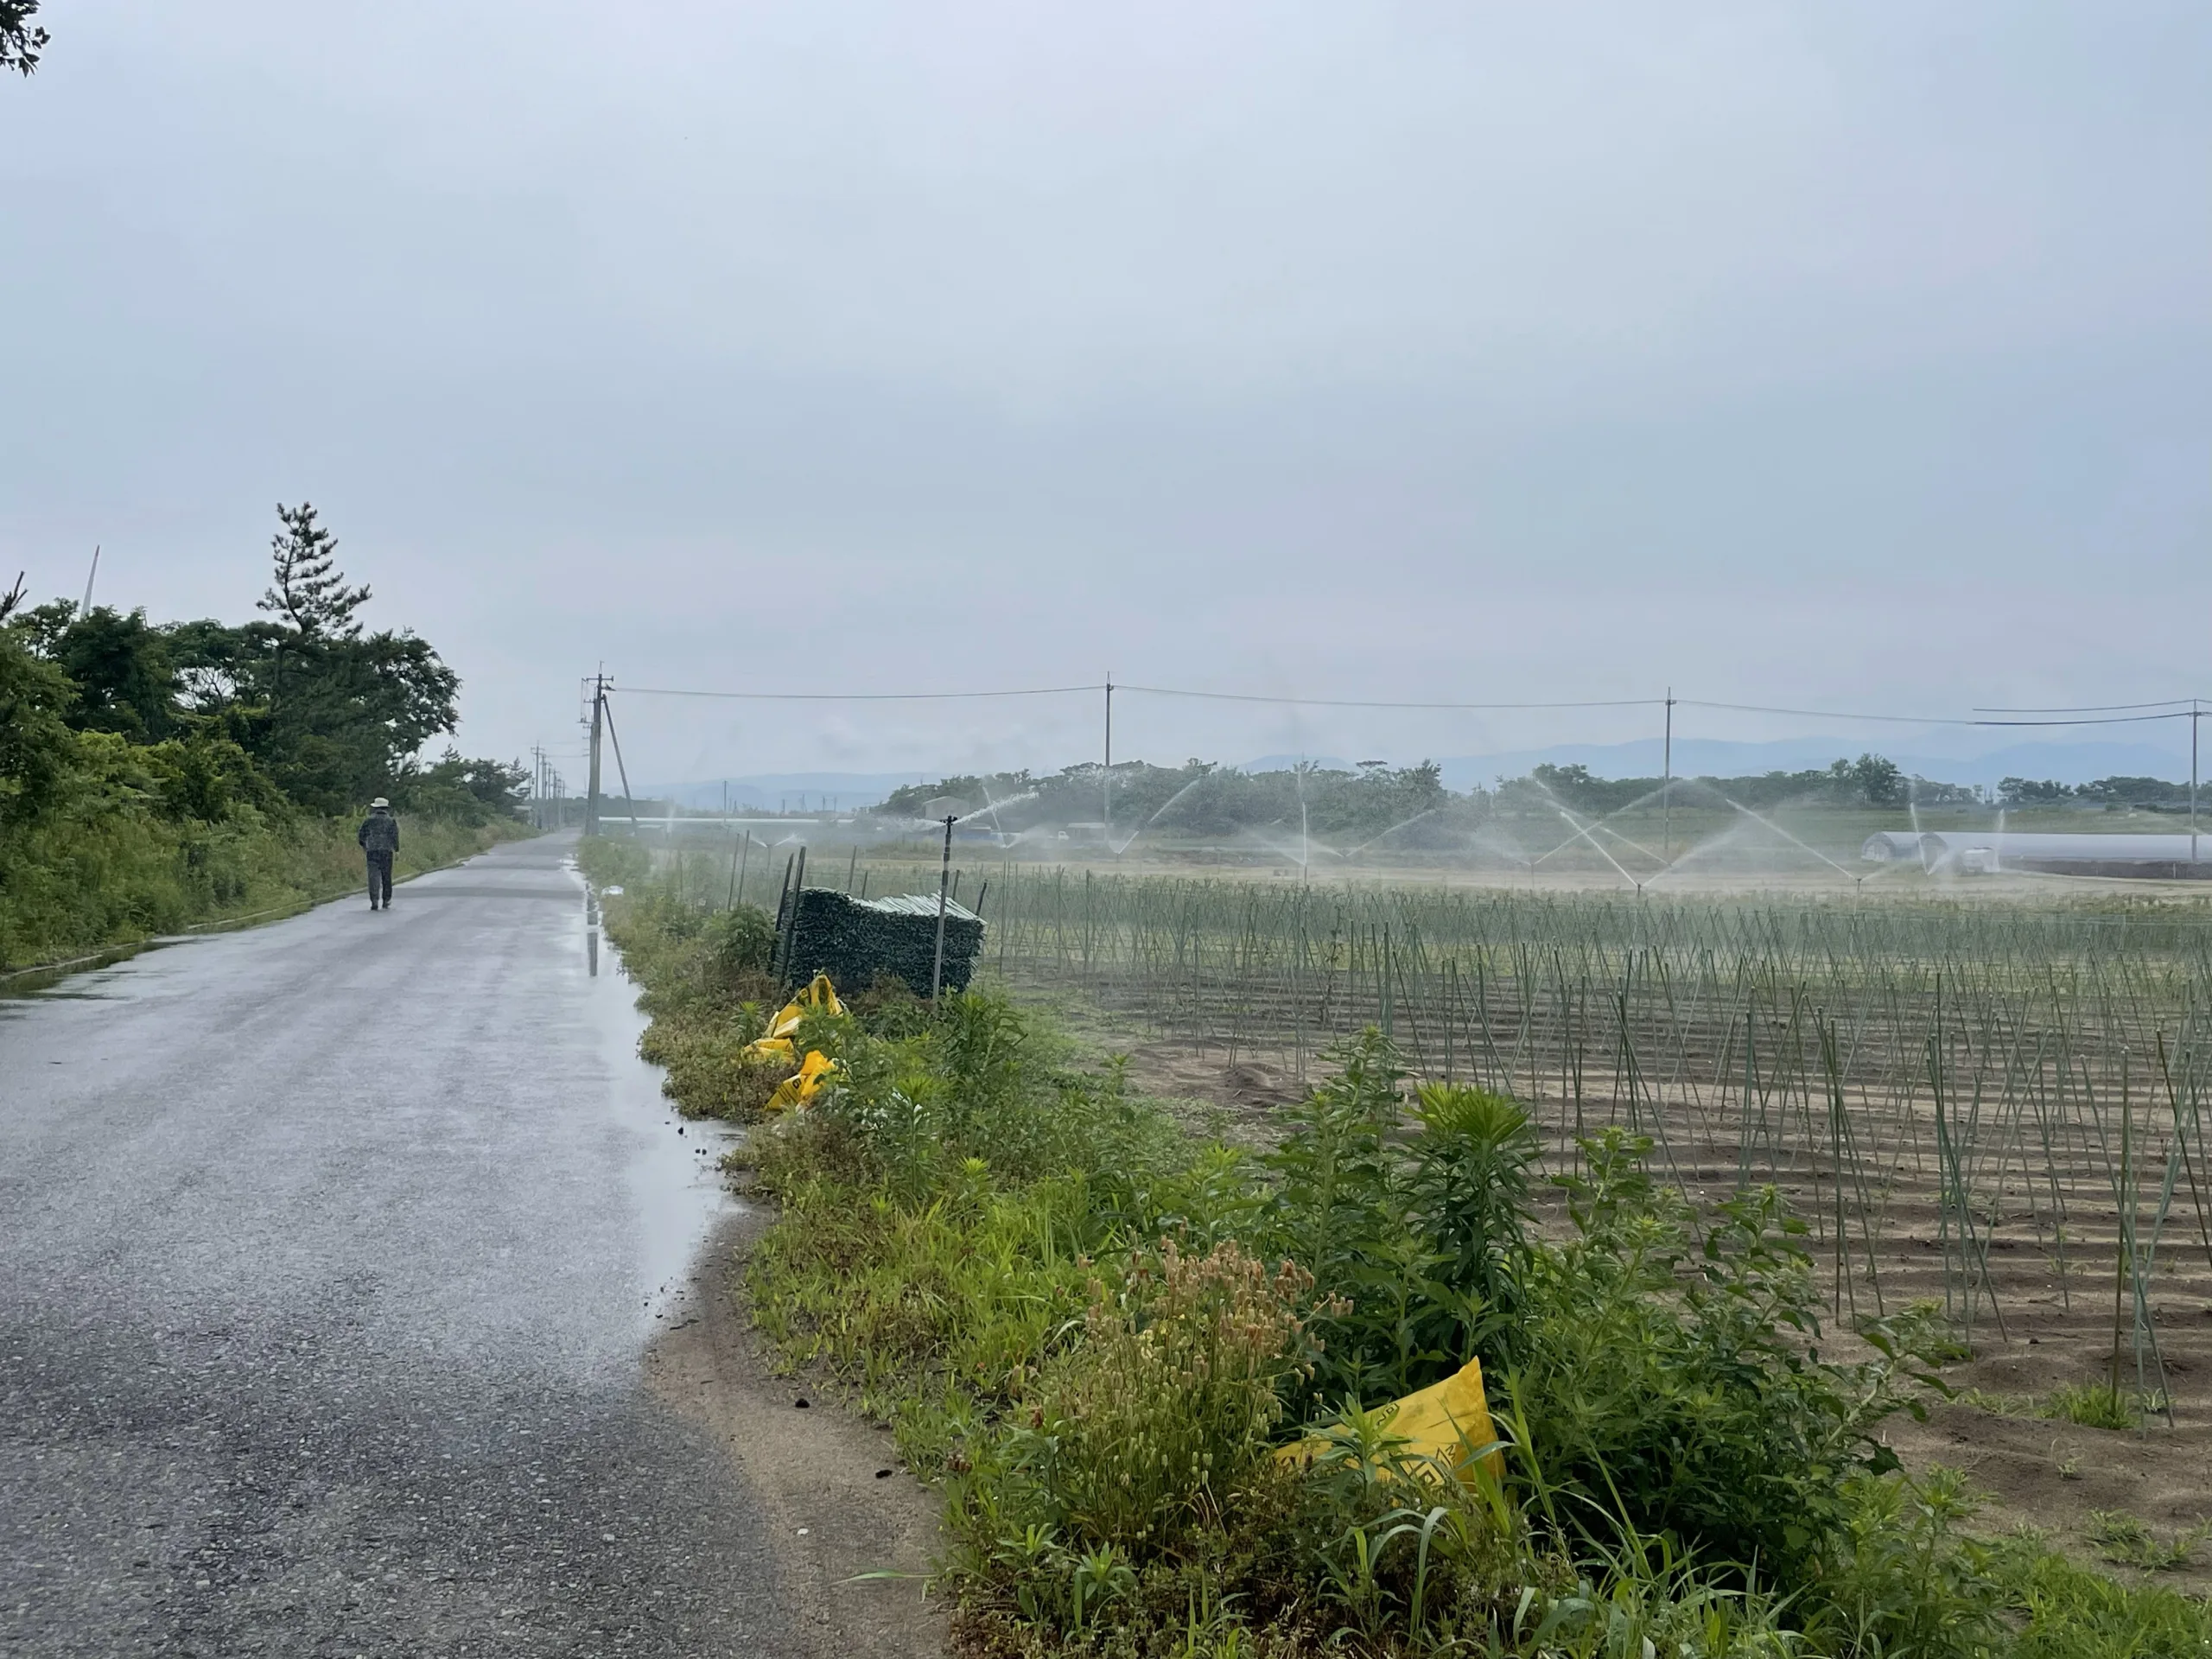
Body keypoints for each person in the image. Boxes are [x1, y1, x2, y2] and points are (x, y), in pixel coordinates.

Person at [359, 798, 400, 910]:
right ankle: (386, 900)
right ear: (386, 809)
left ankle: (374, 900)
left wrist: (364, 846)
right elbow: (394, 837)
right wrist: (396, 850)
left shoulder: (368, 821)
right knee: (386, 876)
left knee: (373, 876)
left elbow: (361, 835)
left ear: (375, 808)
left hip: (372, 851)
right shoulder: (391, 821)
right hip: (386, 851)